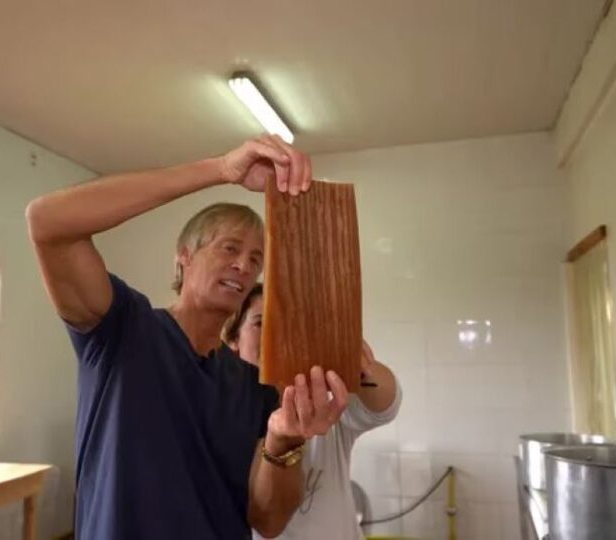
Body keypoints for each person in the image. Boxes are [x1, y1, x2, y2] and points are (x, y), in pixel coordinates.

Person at [26, 135, 350, 539]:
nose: (243, 266)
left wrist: (284, 440)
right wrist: (221, 169)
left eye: (255, 259)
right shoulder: (122, 329)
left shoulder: (255, 389)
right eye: (229, 248)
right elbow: (47, 221)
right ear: (184, 255)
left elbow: (268, 521)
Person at [224, 284, 401, 540]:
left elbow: (385, 402)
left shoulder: (325, 402)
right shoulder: (223, 415)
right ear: (234, 343)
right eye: (260, 323)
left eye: (286, 324)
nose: (276, 334)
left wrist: (356, 365)